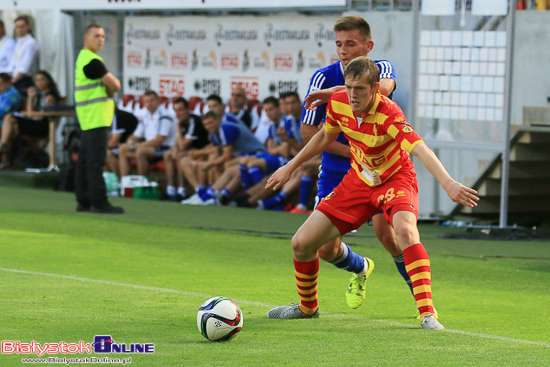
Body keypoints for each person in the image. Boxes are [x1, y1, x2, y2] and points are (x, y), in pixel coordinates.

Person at [265, 57, 479, 330]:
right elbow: (323, 136)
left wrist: (448, 183)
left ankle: (427, 313)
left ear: (375, 88)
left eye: (360, 89)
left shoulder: (390, 113)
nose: (353, 95)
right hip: (358, 181)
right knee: (302, 243)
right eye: (349, 87)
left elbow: (420, 148)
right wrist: (290, 166)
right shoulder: (339, 102)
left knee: (404, 232)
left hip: (395, 180)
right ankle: (308, 308)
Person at [299, 16, 416, 312]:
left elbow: (385, 89)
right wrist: (357, 153)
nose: (343, 50)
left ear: (368, 45)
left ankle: (423, 303)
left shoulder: (381, 68)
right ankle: (360, 267)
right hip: (340, 172)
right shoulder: (322, 77)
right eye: (339, 44)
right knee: (324, 248)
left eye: (350, 44)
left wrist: (331, 95)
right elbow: (308, 132)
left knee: (390, 236)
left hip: (383, 172)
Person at [74, 24, 123, 214]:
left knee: (85, 162)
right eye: (96, 36)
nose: (101, 39)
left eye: (103, 36)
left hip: (88, 118)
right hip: (97, 118)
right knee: (96, 162)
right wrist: (111, 87)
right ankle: (99, 202)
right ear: (86, 38)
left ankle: (84, 201)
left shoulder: (83, 59)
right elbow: (115, 84)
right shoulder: (93, 61)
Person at [181, 110, 266, 205]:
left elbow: (226, 156)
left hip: (256, 154)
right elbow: (218, 151)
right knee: (218, 164)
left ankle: (209, 196)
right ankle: (212, 195)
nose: (208, 126)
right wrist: (208, 162)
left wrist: (209, 164)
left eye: (210, 123)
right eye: (205, 125)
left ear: (217, 120)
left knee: (228, 166)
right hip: (242, 156)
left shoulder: (225, 129)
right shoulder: (214, 132)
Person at [0, 70, 61, 169]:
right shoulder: (40, 95)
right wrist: (30, 98)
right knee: (9, 123)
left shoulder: (49, 97)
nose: (39, 83)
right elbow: (30, 112)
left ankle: (3, 150)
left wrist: (32, 113)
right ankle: (4, 154)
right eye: (37, 80)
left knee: (9, 121)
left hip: (43, 126)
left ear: (49, 81)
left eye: (42, 80)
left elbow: (39, 117)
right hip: (35, 123)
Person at [118, 90, 177, 178]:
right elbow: (135, 136)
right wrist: (130, 141)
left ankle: (143, 184)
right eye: (146, 102)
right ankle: (125, 183)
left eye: (152, 101)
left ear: (158, 101)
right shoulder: (146, 115)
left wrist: (135, 146)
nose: (149, 104)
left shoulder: (164, 116)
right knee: (123, 149)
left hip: (165, 149)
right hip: (150, 149)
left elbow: (157, 142)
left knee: (141, 151)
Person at [161, 97, 209, 202]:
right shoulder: (182, 122)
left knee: (179, 156)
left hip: (202, 150)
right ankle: (171, 189)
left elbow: (183, 145)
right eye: (176, 110)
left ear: (188, 109)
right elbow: (177, 143)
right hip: (190, 150)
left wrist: (178, 127)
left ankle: (181, 191)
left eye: (180, 110)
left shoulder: (194, 121)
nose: (178, 113)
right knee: (168, 154)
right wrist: (175, 149)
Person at [9, 16, 39, 95]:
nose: (19, 30)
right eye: (17, 27)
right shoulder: (19, 41)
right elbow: (14, 62)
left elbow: (24, 68)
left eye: (22, 27)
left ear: (28, 27)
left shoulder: (30, 42)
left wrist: (11, 82)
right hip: (15, 78)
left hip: (23, 80)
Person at [106, 108, 139, 179]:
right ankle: (109, 182)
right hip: (123, 145)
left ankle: (121, 181)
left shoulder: (118, 116)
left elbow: (113, 143)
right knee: (103, 153)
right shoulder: (106, 117)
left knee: (107, 152)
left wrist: (98, 145)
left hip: (134, 146)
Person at [0, 73, 22, 168]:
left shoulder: (12, 94)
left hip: (13, 124)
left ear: (8, 83)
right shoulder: (3, 93)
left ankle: (3, 152)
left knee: (8, 119)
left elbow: (2, 110)